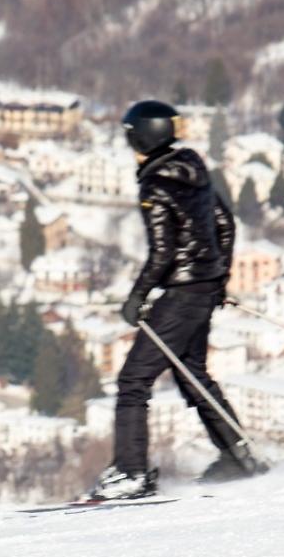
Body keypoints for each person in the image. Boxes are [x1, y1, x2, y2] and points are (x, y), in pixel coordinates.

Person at [84, 99, 266, 501]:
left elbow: (162, 253)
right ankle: (239, 455)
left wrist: (137, 296)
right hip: (200, 290)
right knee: (193, 375)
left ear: (140, 136)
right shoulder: (194, 169)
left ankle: (130, 473)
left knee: (133, 380)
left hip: (181, 294)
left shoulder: (155, 185)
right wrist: (218, 277)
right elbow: (224, 222)